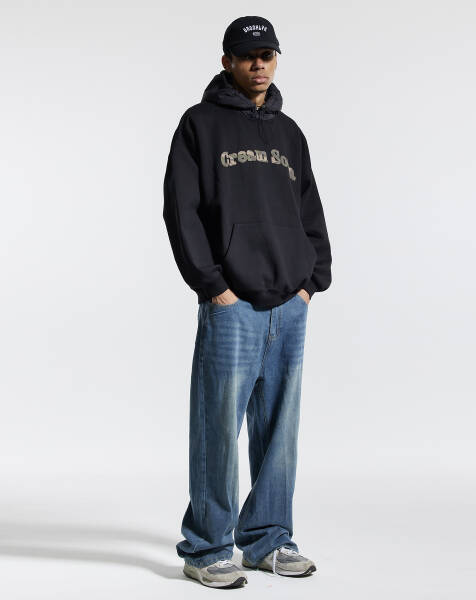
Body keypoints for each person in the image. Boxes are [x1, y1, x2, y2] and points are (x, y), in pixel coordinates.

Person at [163, 15, 332, 589]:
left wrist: (313, 280)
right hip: (231, 302)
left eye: (267, 55)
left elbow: (310, 209)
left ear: (276, 59)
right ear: (227, 61)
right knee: (217, 428)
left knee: (280, 432)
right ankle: (207, 547)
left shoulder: (290, 134)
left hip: (290, 302)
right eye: (247, 55)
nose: (259, 64)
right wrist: (214, 286)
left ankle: (267, 540)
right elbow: (181, 210)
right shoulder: (199, 124)